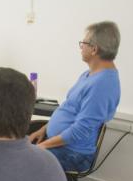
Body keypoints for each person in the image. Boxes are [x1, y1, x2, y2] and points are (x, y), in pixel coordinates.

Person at [29, 21, 121, 173]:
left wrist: (42, 146)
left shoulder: (102, 84)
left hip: (73, 153)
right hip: (60, 144)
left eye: (83, 43)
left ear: (94, 49)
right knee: (14, 147)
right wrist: (44, 129)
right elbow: (69, 108)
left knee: (21, 159)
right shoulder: (89, 74)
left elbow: (80, 131)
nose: (81, 47)